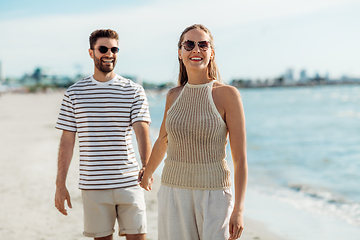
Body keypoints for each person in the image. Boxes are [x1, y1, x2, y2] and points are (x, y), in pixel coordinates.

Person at [140, 24, 248, 240]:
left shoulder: (228, 94)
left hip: (215, 194)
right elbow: (163, 142)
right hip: (173, 191)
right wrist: (148, 173)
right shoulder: (173, 96)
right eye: (189, 44)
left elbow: (240, 159)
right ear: (180, 53)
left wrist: (239, 209)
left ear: (211, 52)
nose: (196, 50)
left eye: (203, 44)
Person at [54, 29, 151, 240]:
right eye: (103, 49)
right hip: (94, 186)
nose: (109, 54)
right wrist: (60, 185)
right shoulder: (74, 93)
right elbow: (67, 142)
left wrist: (147, 167)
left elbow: (141, 130)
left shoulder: (134, 90)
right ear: (91, 53)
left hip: (129, 183)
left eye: (114, 49)